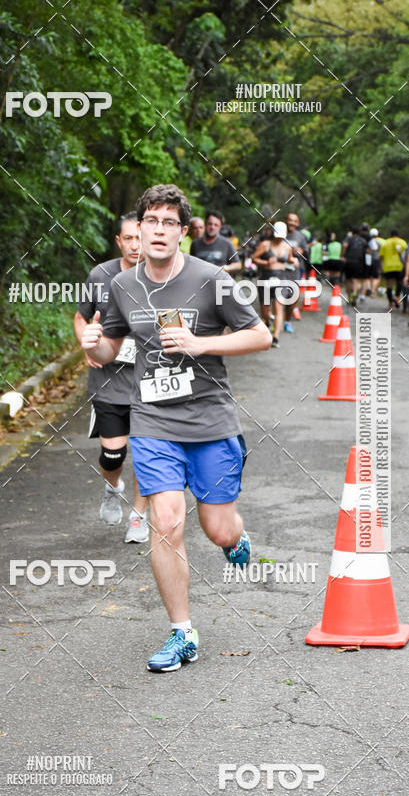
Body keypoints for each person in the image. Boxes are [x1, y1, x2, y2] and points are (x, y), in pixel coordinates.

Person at [81, 183, 271, 672]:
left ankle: (235, 540)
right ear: (137, 232)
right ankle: (182, 633)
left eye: (170, 223)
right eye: (152, 221)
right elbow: (109, 351)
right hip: (153, 422)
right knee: (164, 522)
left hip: (210, 421)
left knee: (217, 527)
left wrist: (199, 343)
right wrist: (93, 343)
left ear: (183, 233)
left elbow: (260, 335)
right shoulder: (122, 287)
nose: (160, 230)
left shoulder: (212, 279)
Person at [74, 212, 149, 543]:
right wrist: (86, 344)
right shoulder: (100, 275)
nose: (136, 244)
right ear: (119, 241)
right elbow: (81, 317)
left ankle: (139, 517)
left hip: (151, 383)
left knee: (148, 456)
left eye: (140, 237)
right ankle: (112, 486)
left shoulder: (163, 277)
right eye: (128, 238)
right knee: (113, 456)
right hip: (109, 383)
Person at [254, 221, 299, 347]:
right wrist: (266, 262)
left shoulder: (287, 247)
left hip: (281, 277)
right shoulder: (265, 245)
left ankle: (276, 337)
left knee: (279, 308)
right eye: (278, 235)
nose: (280, 238)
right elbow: (254, 258)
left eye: (282, 236)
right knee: (265, 311)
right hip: (266, 276)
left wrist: (294, 261)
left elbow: (289, 258)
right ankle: (268, 321)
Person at [379, 228, 408, 310]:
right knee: (399, 282)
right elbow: (407, 254)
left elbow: (380, 257)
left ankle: (390, 304)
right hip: (399, 266)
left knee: (389, 285)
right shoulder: (403, 242)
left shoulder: (385, 243)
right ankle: (396, 296)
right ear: (398, 235)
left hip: (388, 266)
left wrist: (380, 267)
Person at [342, 225, 368, 305]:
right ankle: (355, 293)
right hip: (359, 262)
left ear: (352, 232)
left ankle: (349, 297)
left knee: (348, 279)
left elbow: (345, 245)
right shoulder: (363, 240)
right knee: (355, 279)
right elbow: (367, 250)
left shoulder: (349, 238)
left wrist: (342, 255)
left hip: (348, 260)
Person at [367, 228, 383, 296]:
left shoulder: (368, 242)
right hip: (376, 260)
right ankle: (373, 291)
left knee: (368, 276)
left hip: (368, 260)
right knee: (376, 277)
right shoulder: (379, 243)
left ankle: (369, 288)